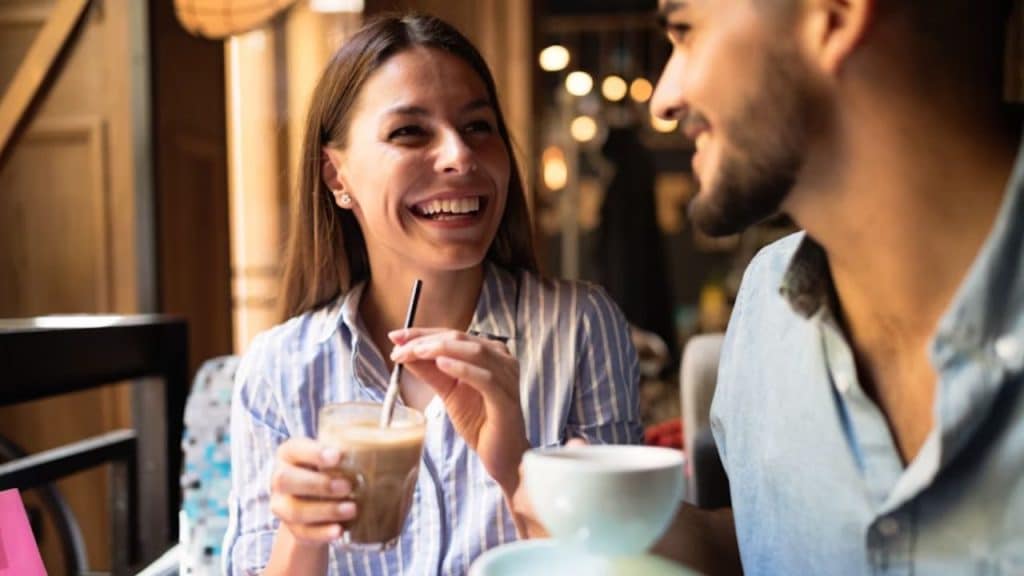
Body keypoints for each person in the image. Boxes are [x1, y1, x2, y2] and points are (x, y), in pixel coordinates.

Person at [513, 0, 1024, 574]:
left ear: (835, 15)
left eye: (685, 31)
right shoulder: (766, 301)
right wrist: (612, 521)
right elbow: (761, 540)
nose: (663, 98)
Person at [223, 13, 643, 576]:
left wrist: (516, 467)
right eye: (410, 132)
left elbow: (619, 564)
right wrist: (303, 533)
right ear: (336, 175)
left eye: (477, 127)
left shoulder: (581, 328)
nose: (460, 157)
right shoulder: (280, 368)